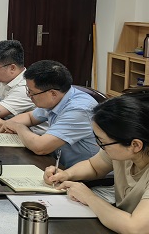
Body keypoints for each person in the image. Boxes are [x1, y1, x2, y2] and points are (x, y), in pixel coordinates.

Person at [44, 93, 149, 233]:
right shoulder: (124, 150)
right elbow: (94, 166)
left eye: (102, 142)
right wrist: (66, 174)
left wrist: (88, 197)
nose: (98, 146)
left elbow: (135, 228)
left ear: (135, 145)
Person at [0, 60, 98, 168]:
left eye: (32, 93)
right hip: (56, 163)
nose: (29, 96)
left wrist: (17, 127)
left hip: (80, 173)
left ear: (53, 93)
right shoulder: (59, 96)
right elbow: (30, 117)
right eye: (28, 91)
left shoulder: (79, 110)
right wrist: (6, 124)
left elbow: (40, 147)